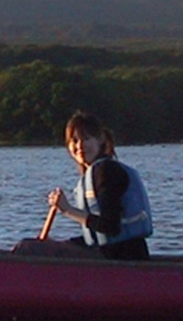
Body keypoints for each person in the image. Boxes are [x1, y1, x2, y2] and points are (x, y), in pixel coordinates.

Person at [42, 110, 153, 260]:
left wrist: (67, 210)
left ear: (100, 140)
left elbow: (110, 227)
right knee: (46, 247)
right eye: (74, 140)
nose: (80, 146)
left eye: (86, 139)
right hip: (110, 252)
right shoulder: (94, 173)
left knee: (30, 248)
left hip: (124, 256)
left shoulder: (107, 171)